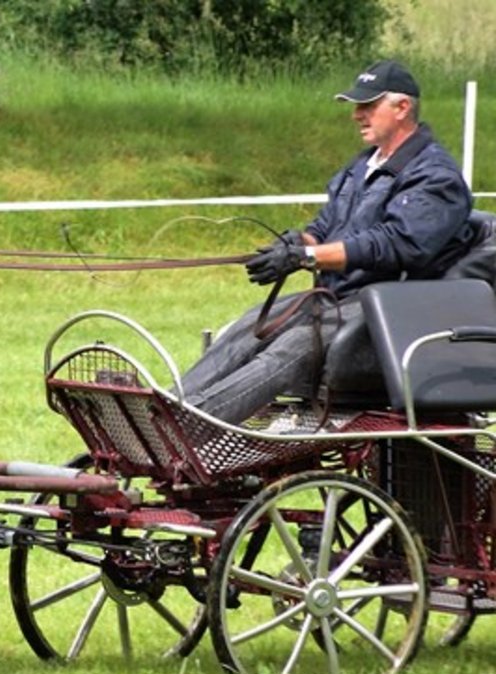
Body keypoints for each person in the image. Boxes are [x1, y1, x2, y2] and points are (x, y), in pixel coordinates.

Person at [182, 59, 478, 424]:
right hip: (339, 302)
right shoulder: (363, 167)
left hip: (391, 313)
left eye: (368, 105)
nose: (357, 115)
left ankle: (190, 427)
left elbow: (395, 244)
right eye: (357, 106)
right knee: (248, 327)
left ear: (402, 108)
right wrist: (294, 245)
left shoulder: (436, 177)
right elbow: (325, 228)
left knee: (294, 347)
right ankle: (165, 410)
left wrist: (307, 256)